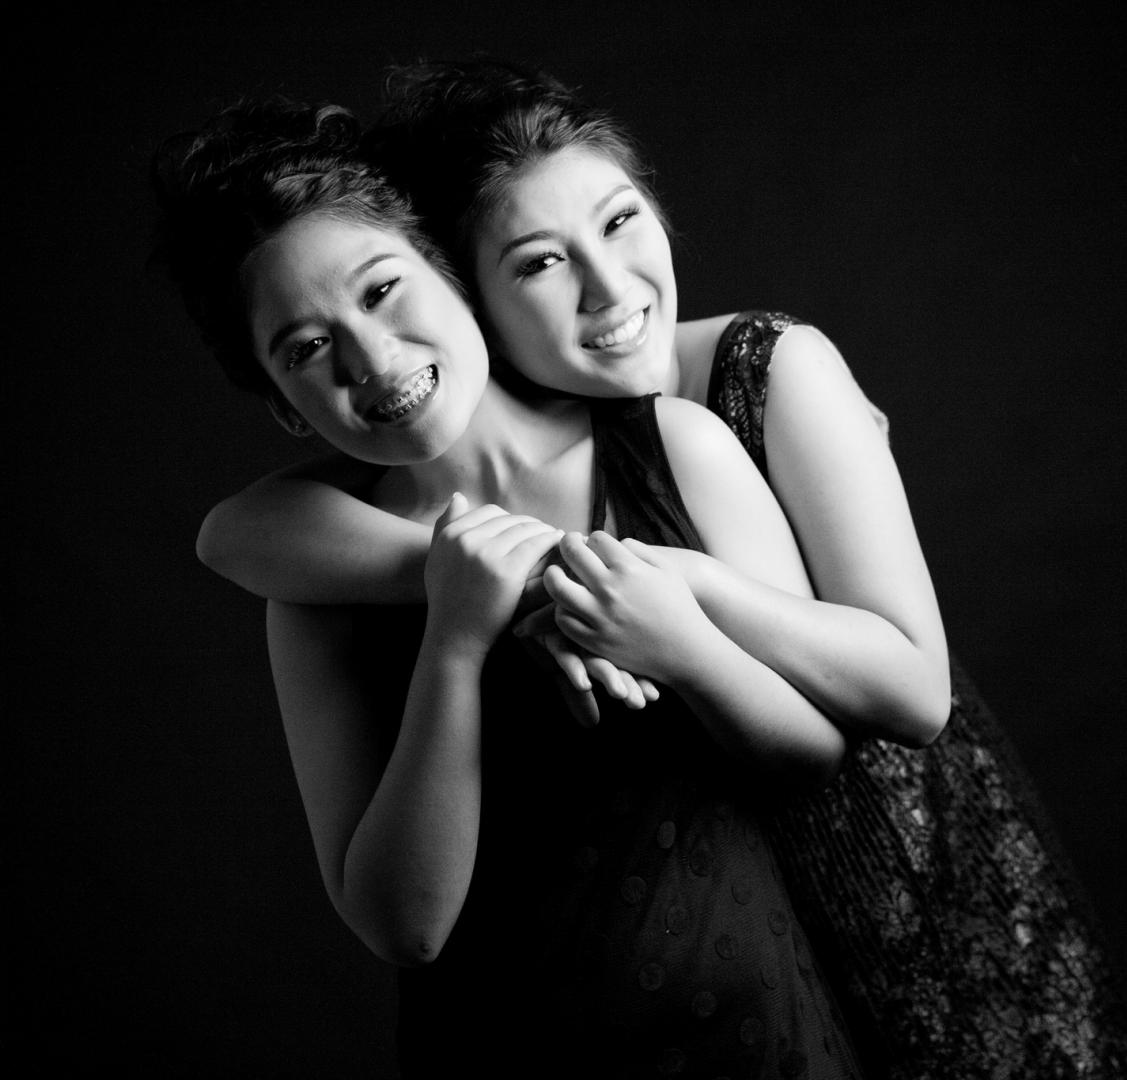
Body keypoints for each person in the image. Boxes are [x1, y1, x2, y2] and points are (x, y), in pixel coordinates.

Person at [196, 61, 1127, 1078]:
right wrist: (495, 603)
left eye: (620, 221)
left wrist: (679, 594)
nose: (608, 290)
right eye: (538, 264)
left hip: (846, 921)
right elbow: (232, 532)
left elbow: (895, 703)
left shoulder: (731, 393)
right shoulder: (341, 547)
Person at [151, 96, 870, 1078]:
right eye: (306, 349)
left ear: (453, 274)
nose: (372, 358)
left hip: (756, 1032)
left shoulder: (674, 451)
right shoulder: (316, 593)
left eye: (382, 291)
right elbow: (404, 927)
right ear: (284, 407)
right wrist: (455, 641)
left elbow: (813, 755)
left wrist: (684, 645)